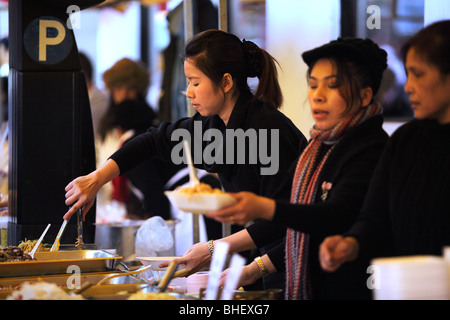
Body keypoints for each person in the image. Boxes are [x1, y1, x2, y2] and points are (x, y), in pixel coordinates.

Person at [63, 30, 306, 260]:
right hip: (256, 256)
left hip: (290, 261)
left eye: (195, 82)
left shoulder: (267, 130)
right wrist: (97, 178)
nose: (188, 92)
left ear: (227, 82)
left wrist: (213, 249)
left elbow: (281, 220)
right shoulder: (213, 127)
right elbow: (152, 142)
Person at [203, 37, 390, 299]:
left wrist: (262, 207)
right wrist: (250, 270)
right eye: (313, 85)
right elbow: (294, 224)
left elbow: (333, 216)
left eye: (332, 86)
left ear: (365, 95)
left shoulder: (372, 149)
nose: (317, 96)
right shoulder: (318, 149)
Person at [319, 20, 450, 278]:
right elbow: (373, 216)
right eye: (408, 74)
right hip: (407, 288)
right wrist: (350, 243)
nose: (408, 86)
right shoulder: (405, 140)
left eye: (419, 74)